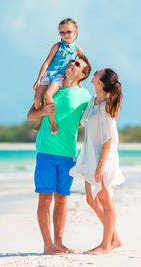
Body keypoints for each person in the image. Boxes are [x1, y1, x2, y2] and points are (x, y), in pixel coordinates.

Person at [27, 57, 91, 255]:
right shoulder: (50, 88)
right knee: (45, 198)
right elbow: (30, 115)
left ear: (83, 75)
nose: (72, 64)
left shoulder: (85, 96)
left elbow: (86, 120)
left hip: (67, 153)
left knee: (62, 199)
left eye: (78, 64)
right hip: (46, 150)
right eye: (72, 61)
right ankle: (48, 245)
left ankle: (59, 243)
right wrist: (43, 111)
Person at [69, 68, 124, 254]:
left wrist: (101, 165)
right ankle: (115, 238)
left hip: (103, 156)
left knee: (105, 200)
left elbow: (109, 139)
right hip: (89, 155)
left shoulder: (107, 105)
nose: (93, 74)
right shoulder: (93, 101)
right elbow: (82, 123)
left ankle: (106, 245)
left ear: (100, 83)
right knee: (91, 200)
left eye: (96, 74)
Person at [32, 18, 85, 133]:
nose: (65, 35)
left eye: (68, 32)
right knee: (37, 99)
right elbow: (46, 63)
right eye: (62, 32)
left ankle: (52, 122)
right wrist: (38, 79)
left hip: (61, 76)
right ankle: (41, 121)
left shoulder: (78, 49)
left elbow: (83, 66)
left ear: (75, 32)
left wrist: (79, 82)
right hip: (49, 74)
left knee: (47, 95)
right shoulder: (57, 46)